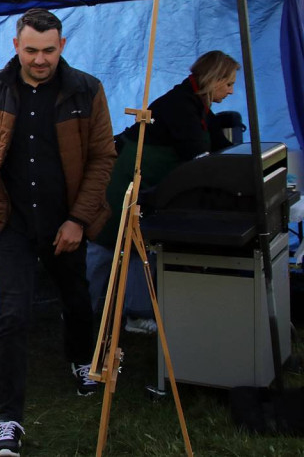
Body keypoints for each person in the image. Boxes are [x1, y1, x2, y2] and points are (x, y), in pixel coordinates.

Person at [0, 8, 116, 457]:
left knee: (75, 296)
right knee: (13, 315)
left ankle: (81, 359)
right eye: (31, 50)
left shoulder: (86, 90)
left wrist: (78, 219)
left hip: (65, 219)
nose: (40, 59)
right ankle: (9, 420)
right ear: (16, 46)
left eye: (49, 50)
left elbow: (103, 157)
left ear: (62, 46)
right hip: (11, 221)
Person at [88, 50, 240, 334]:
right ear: (214, 79)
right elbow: (197, 156)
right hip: (127, 180)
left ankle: (135, 313)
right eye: (229, 83)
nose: (231, 91)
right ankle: (82, 308)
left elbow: (219, 145)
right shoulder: (180, 105)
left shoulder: (199, 105)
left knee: (142, 243)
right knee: (106, 241)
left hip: (151, 183)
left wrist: (242, 166)